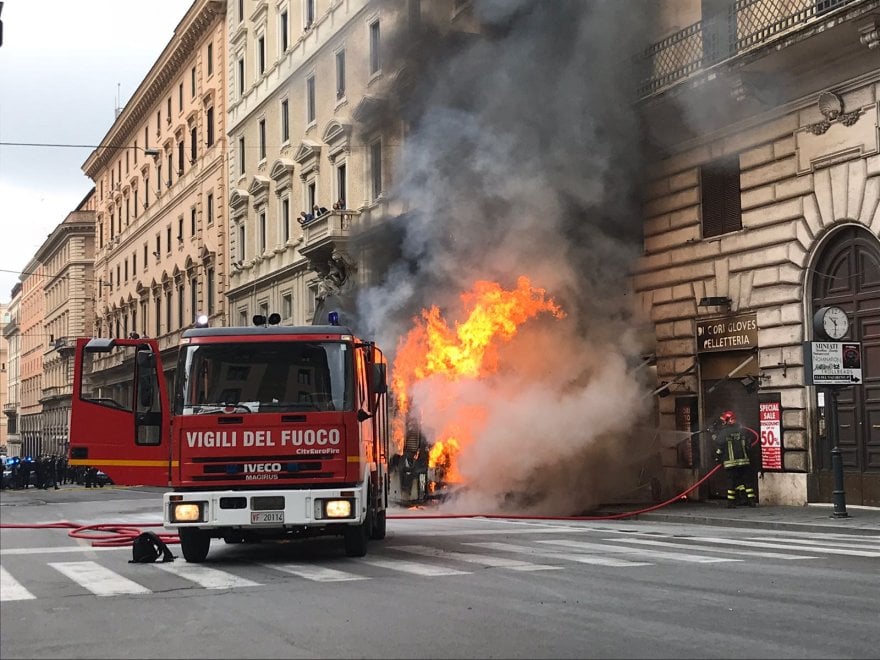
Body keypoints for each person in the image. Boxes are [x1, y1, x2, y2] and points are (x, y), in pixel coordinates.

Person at [713, 410, 757, 508]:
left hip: (731, 463)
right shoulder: (742, 430)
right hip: (744, 462)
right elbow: (748, 444)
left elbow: (719, 447)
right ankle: (751, 501)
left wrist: (717, 458)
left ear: (726, 421)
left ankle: (731, 503)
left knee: (731, 483)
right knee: (746, 481)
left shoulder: (724, 432)